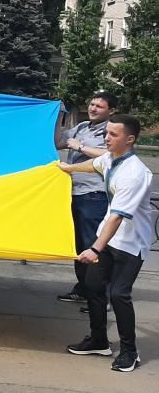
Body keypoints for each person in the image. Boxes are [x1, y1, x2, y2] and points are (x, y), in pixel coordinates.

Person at [60, 113, 153, 373]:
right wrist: (68, 168)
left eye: (113, 134)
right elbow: (95, 164)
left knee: (119, 294)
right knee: (92, 286)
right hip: (107, 238)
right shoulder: (111, 158)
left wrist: (94, 249)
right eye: (106, 133)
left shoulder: (135, 173)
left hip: (130, 243)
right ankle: (99, 340)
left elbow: (117, 216)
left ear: (130, 139)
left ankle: (129, 352)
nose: (106, 138)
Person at [55, 92, 115, 306]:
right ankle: (84, 289)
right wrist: (58, 115)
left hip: (94, 195)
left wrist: (79, 147)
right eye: (91, 104)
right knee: (80, 245)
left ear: (111, 111)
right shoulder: (81, 127)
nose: (93, 108)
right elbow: (58, 142)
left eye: (99, 106)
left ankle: (101, 297)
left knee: (93, 245)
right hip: (75, 193)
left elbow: (109, 155)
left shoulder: (111, 130)